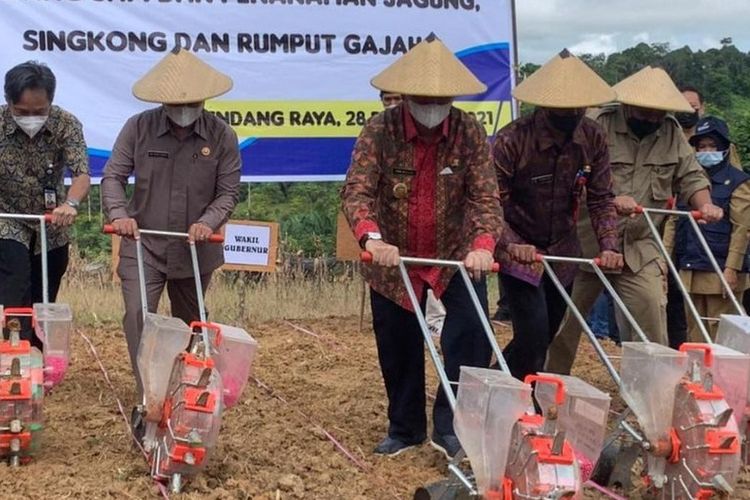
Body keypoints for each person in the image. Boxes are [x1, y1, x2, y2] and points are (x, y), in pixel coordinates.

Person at [341, 34, 502, 459]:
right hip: (392, 261)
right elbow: (357, 192)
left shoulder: (468, 131)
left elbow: (485, 197)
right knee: (398, 347)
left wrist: (483, 245)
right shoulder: (380, 130)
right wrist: (373, 238)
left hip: (456, 257)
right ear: (407, 95)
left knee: (469, 341)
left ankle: (450, 427)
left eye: (441, 97)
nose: (433, 104)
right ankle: (405, 428)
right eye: (424, 97)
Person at [546, 66, 723, 375]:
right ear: (627, 103)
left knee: (652, 319)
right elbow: (569, 177)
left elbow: (692, 176)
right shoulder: (596, 124)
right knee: (563, 324)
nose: (652, 118)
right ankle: (545, 388)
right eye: (645, 110)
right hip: (586, 245)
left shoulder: (669, 132)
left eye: (658, 112)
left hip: (639, 247)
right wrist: (609, 198)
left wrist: (706, 204)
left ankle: (649, 400)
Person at [102, 48, 241, 393]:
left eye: (191, 103)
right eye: (176, 105)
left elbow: (227, 192)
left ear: (204, 100)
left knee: (191, 322)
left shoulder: (222, 136)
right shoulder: (138, 127)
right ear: (162, 100)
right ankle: (149, 392)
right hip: (143, 243)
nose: (183, 111)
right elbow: (112, 177)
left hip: (195, 249)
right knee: (139, 313)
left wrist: (208, 222)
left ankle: (185, 385)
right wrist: (120, 215)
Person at [493, 49, 622, 381]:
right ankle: (522, 398)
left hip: (563, 250)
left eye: (577, 106)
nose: (571, 112)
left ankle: (496, 383)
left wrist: (609, 246)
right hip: (519, 249)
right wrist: (511, 244)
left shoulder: (592, 137)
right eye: (563, 107)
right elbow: (490, 203)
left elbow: (601, 197)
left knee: (545, 335)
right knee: (532, 333)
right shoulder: (512, 139)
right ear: (545, 104)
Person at [0, 61, 90, 347]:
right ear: (8, 102)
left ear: (50, 101)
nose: (31, 119)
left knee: (44, 291)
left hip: (51, 221)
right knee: (14, 282)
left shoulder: (67, 124)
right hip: (6, 216)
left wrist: (71, 203)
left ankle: (36, 355)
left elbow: (82, 174)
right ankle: (14, 352)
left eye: (39, 112)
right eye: (21, 112)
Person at [673, 116, 750, 340]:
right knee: (694, 329)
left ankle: (724, 375)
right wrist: (664, 259)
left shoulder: (739, 181)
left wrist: (732, 269)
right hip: (690, 264)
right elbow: (674, 222)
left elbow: (742, 229)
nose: (707, 151)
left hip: (721, 268)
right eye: (701, 146)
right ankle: (697, 373)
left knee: (722, 331)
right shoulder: (688, 181)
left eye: (712, 146)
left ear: (725, 148)